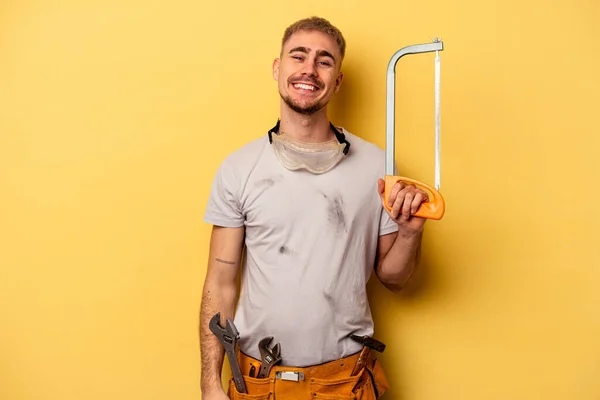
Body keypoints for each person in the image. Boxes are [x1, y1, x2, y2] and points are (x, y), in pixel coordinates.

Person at [199, 16, 429, 400]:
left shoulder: (377, 167)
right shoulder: (238, 169)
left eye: (324, 61)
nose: (309, 69)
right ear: (278, 68)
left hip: (347, 382)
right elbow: (219, 284)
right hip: (258, 383)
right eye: (298, 56)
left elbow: (394, 277)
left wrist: (409, 233)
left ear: (337, 80)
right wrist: (209, 384)